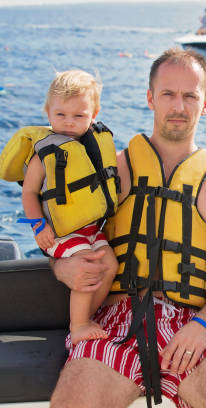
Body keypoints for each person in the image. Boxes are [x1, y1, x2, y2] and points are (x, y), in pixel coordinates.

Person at [49, 48, 206, 408]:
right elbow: (63, 238)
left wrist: (204, 326)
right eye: (168, 94)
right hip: (115, 321)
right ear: (151, 98)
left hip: (197, 324)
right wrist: (63, 266)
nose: (178, 106)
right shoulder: (111, 169)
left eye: (190, 96)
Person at [1, 70, 119, 346]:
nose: (68, 124)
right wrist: (38, 225)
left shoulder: (95, 145)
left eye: (78, 116)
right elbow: (29, 193)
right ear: (47, 112)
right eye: (60, 115)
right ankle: (77, 325)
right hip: (60, 232)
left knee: (110, 264)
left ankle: (87, 316)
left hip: (90, 229)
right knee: (88, 266)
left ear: (94, 112)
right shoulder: (45, 154)